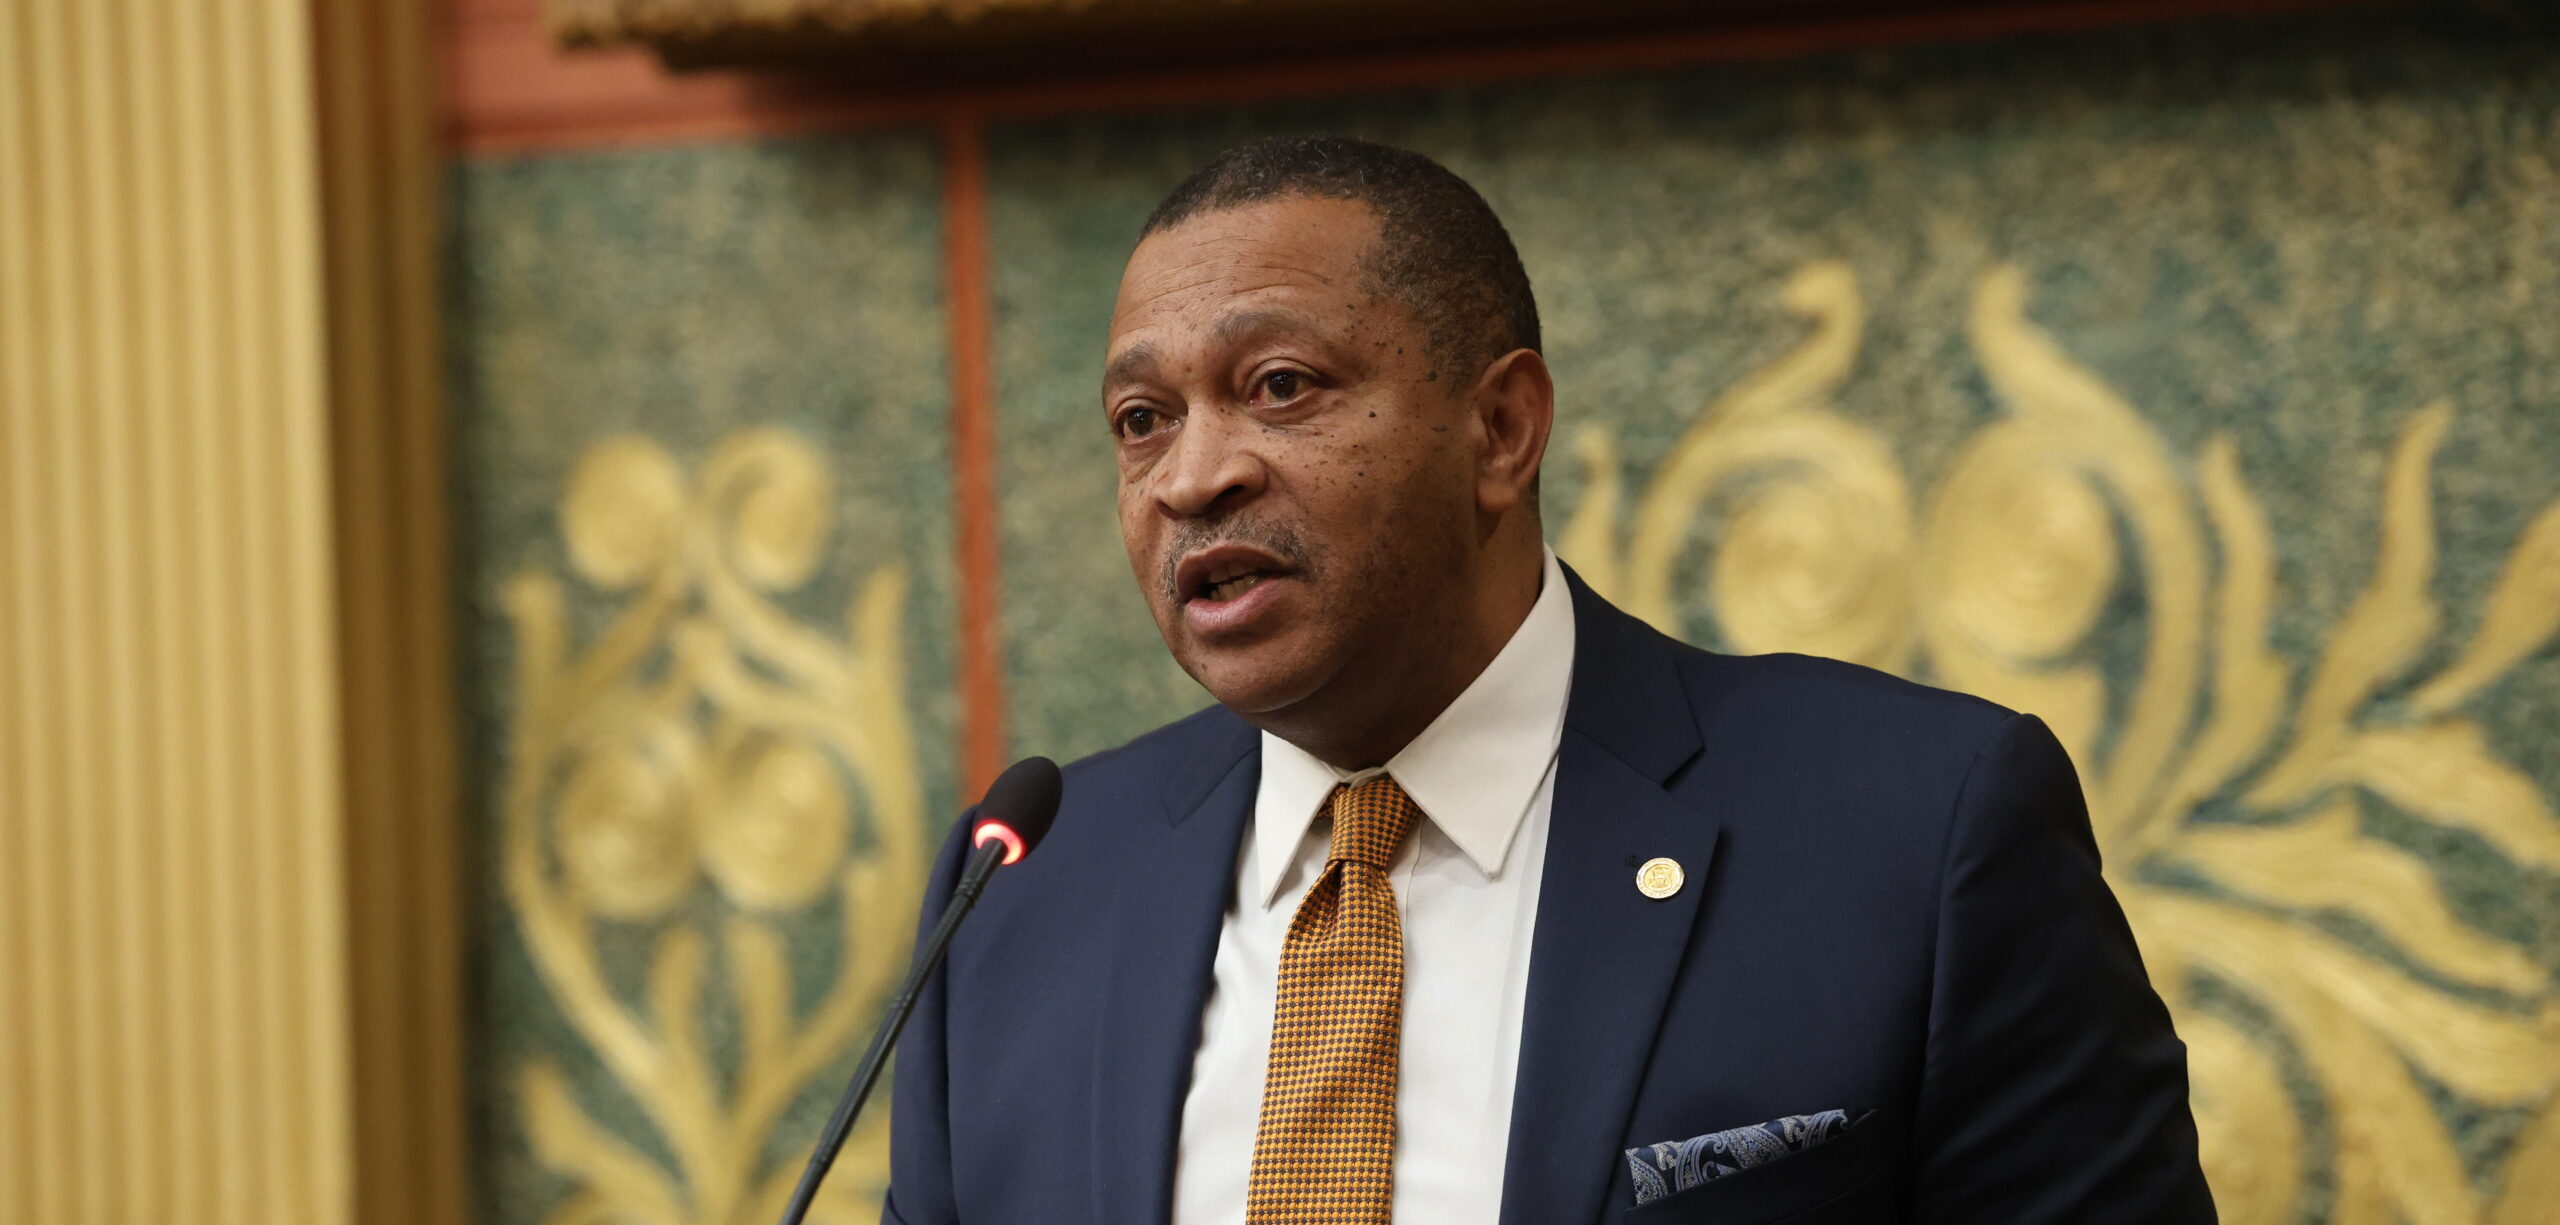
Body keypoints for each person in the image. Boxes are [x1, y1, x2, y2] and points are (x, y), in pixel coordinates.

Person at [882, 136, 2214, 1225]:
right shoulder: (1021, 891)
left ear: (1503, 428)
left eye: (1279, 385)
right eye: (1142, 421)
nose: (1191, 476)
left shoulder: (1919, 833)